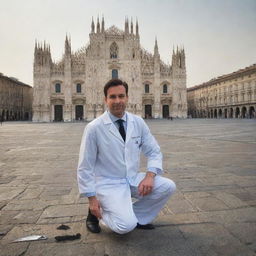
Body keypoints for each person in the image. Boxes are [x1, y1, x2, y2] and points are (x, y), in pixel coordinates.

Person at [77, 79, 176, 234]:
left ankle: (137, 217)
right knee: (124, 227)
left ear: (127, 98)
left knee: (168, 187)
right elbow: (85, 166)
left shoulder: (138, 122)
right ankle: (95, 215)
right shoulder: (94, 128)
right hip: (108, 183)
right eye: (113, 97)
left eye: (121, 96)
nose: (118, 101)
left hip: (132, 178)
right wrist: (92, 200)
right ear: (105, 100)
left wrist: (150, 176)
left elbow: (154, 151)